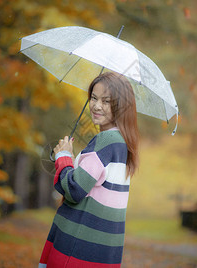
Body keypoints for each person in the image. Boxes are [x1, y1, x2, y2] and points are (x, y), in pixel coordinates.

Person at [38, 71, 139, 268]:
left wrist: (64, 158)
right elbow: (92, 184)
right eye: (93, 98)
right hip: (101, 249)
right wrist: (75, 162)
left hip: (78, 245)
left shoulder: (106, 141)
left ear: (120, 106)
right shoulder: (122, 143)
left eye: (106, 101)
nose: (97, 105)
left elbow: (75, 190)